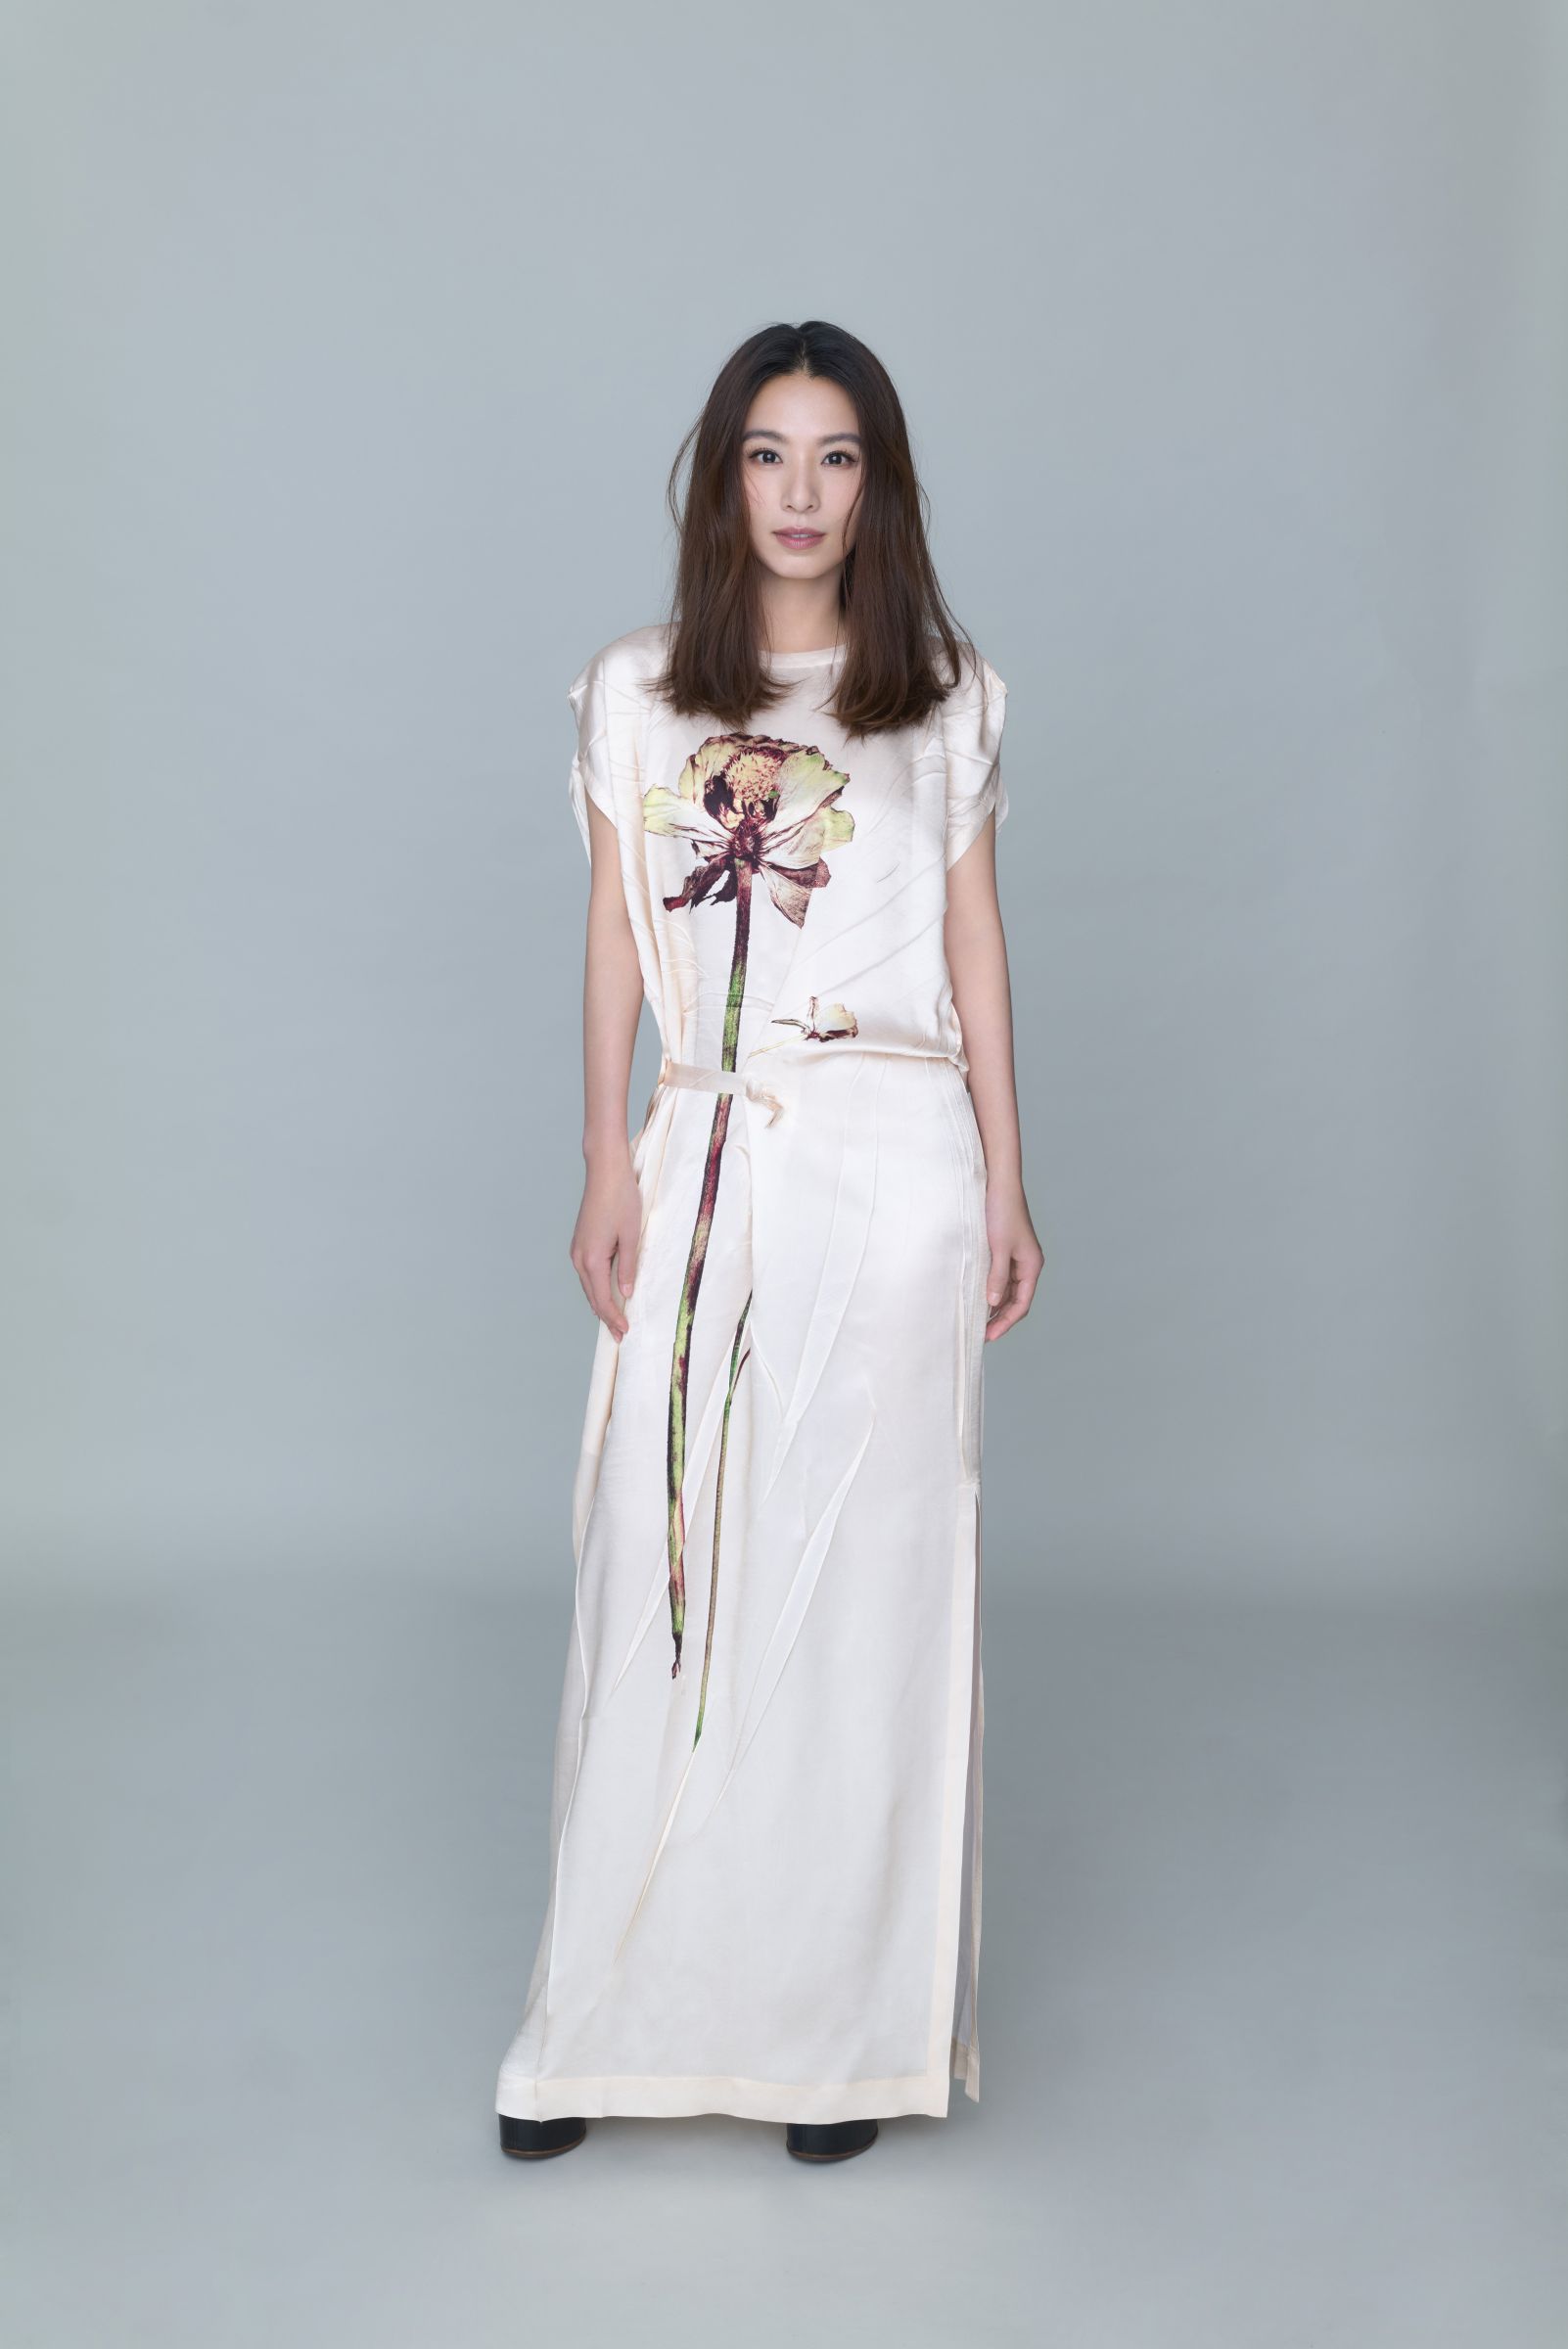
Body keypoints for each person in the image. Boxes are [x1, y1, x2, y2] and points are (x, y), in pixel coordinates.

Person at [495, 320, 1044, 2165]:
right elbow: (609, 933)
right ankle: (600, 2029)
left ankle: (831, 2040)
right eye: (764, 453)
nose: (800, 493)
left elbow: (972, 946)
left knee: (857, 1593)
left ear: (878, 486)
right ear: (720, 479)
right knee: (660, 1570)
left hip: (894, 1171)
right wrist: (606, 1155)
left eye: (836, 456)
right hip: (706, 1147)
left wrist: (1010, 1180)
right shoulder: (637, 691)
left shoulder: (946, 697)